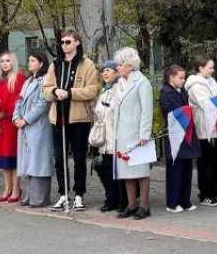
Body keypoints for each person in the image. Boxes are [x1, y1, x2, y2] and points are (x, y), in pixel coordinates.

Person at [43, 29, 99, 211]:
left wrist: (71, 93)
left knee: (79, 158)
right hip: (58, 116)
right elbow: (46, 87)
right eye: (62, 42)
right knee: (59, 158)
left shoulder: (87, 64)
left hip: (79, 119)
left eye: (68, 42)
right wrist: (54, 91)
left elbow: (92, 89)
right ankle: (63, 194)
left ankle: (79, 194)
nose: (64, 45)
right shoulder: (55, 64)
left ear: (77, 42)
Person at [110, 47, 154, 220]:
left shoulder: (142, 82)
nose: (118, 67)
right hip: (121, 133)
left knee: (141, 171)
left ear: (129, 66)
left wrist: (144, 134)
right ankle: (131, 204)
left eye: (120, 65)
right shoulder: (120, 83)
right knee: (126, 171)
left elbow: (146, 110)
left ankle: (144, 205)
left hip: (136, 133)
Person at [185, 55, 217, 207]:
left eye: (212, 67)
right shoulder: (195, 86)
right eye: (210, 67)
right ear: (200, 68)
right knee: (206, 162)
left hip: (216, 128)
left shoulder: (212, 82)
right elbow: (207, 105)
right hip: (205, 130)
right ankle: (205, 193)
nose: (212, 70)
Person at [13, 51, 53, 208]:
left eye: (33, 60)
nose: (29, 63)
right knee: (27, 161)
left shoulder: (45, 81)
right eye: (29, 60)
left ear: (41, 63)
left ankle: (40, 197)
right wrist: (16, 117)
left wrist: (26, 119)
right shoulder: (28, 81)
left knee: (39, 161)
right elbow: (19, 100)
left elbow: (43, 104)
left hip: (38, 126)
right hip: (24, 126)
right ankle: (30, 194)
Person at [159, 64, 200, 213]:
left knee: (187, 169)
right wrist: (187, 110)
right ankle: (172, 202)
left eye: (184, 77)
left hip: (186, 134)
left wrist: (189, 110)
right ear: (171, 77)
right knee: (175, 171)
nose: (183, 80)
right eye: (180, 78)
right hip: (175, 136)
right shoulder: (165, 93)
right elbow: (168, 114)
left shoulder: (182, 90)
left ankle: (185, 200)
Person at [0, 51, 26, 202]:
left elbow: (17, 100)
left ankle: (16, 188)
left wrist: (2, 114)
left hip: (11, 123)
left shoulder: (19, 78)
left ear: (13, 63)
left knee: (13, 157)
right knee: (3, 159)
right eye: (2, 61)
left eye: (7, 61)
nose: (4, 64)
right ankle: (7, 187)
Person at [94, 60, 126, 213]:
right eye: (103, 71)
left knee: (118, 171)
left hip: (116, 137)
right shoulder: (103, 90)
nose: (105, 73)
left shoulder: (119, 89)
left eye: (109, 70)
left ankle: (122, 200)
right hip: (103, 138)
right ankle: (110, 199)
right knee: (105, 170)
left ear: (116, 72)